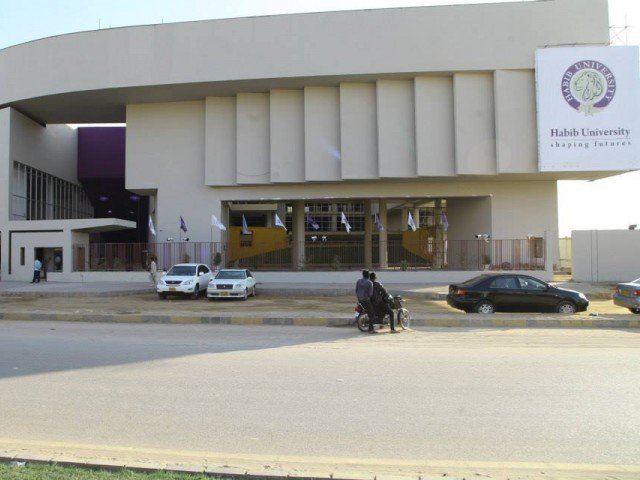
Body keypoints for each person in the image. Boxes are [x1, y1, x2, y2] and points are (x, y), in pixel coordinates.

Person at [355, 269, 377, 334]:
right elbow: (370, 294)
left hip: (359, 300)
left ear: (363, 275)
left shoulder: (358, 281)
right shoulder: (369, 282)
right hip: (366, 300)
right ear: (368, 275)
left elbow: (356, 290)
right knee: (372, 314)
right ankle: (371, 330)